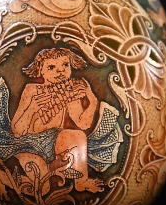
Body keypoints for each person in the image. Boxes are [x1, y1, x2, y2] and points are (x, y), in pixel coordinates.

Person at [11, 47, 103, 192]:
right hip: (28, 143)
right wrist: (33, 108)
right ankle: (4, 177)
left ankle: (81, 181)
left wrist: (92, 102)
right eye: (52, 67)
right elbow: (16, 131)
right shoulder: (31, 90)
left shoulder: (68, 92)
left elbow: (83, 124)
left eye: (65, 65)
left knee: (77, 135)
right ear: (41, 70)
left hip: (53, 140)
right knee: (42, 188)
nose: (60, 71)